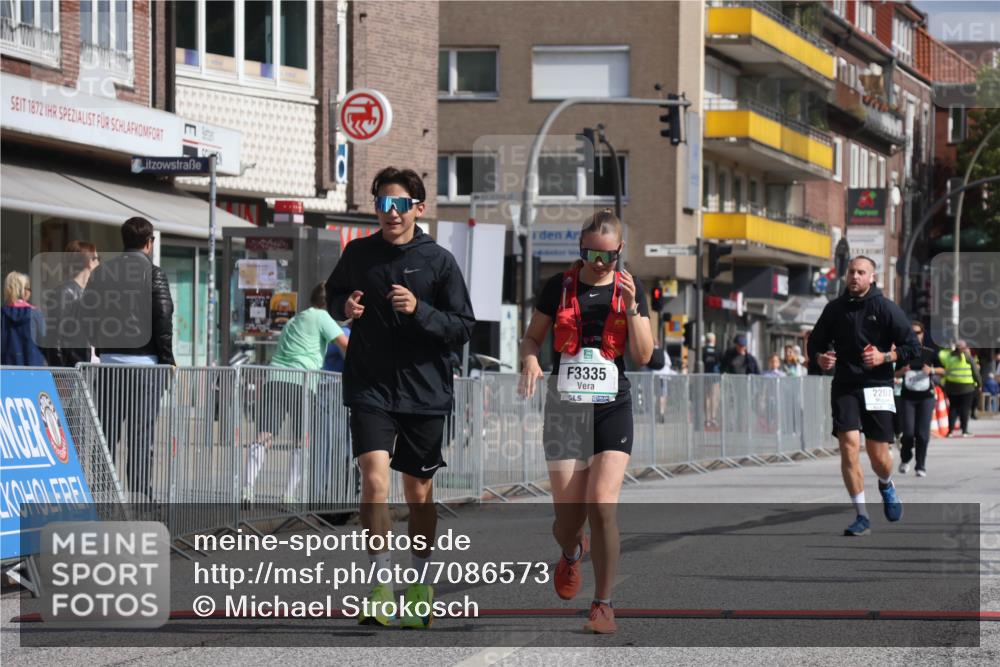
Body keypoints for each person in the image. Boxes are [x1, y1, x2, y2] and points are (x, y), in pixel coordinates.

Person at [326, 167, 475, 629]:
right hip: (370, 385)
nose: (390, 213)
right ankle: (379, 587)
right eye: (382, 204)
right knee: (373, 480)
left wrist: (420, 310)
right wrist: (342, 309)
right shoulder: (358, 254)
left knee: (418, 492)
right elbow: (332, 296)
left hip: (425, 391)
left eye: (399, 204)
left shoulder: (439, 261)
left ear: (417, 208)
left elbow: (463, 327)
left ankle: (420, 584)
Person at [519, 209, 654, 635]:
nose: (598, 264)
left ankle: (603, 603)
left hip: (612, 405)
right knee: (567, 519)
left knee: (601, 504)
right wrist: (529, 360)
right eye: (590, 254)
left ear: (620, 253)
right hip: (566, 406)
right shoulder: (557, 288)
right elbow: (533, 337)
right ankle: (573, 550)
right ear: (580, 250)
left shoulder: (631, 290)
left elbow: (645, 355)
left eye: (607, 256)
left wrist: (632, 309)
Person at [807, 256, 920, 537]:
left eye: (861, 272)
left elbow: (913, 347)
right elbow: (815, 344)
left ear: (872, 277)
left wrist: (886, 356)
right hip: (845, 384)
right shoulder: (834, 309)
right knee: (848, 445)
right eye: (851, 272)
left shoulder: (884, 308)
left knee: (878, 455)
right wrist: (821, 359)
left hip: (878, 384)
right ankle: (861, 515)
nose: (854, 276)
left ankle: (886, 483)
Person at [84, 217, 175, 501]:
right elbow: (163, 316)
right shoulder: (154, 273)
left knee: (106, 434)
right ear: (149, 243)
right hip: (144, 366)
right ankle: (140, 497)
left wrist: (101, 348)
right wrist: (167, 359)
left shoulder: (102, 273)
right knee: (141, 434)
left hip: (110, 365)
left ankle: (101, 496)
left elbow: (87, 313)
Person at [242, 283, 349, 502]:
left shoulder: (294, 320)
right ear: (329, 302)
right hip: (302, 382)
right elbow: (346, 345)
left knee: (264, 436)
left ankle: (247, 488)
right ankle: (289, 495)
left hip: (275, 379)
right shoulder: (323, 317)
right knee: (303, 440)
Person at [896, 321, 944, 477]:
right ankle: (905, 458)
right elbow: (893, 374)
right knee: (908, 434)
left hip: (926, 397)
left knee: (922, 434)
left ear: (923, 334)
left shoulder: (930, 352)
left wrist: (931, 369)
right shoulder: (903, 352)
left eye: (918, 332)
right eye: (912, 332)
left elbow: (944, 370)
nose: (915, 335)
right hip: (907, 397)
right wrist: (902, 371)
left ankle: (920, 465)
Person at [44, 240, 99, 367]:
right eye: (96, 258)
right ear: (88, 262)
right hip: (72, 371)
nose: (99, 263)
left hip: (90, 368)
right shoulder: (64, 293)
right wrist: (61, 376)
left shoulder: (90, 293)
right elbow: (54, 339)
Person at [2, 271, 46, 367]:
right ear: (23, 290)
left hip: (6, 369)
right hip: (34, 368)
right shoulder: (35, 313)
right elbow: (44, 340)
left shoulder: (2, 314)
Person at [939, 340, 981, 437]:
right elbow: (975, 372)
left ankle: (950, 431)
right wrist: (979, 384)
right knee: (965, 409)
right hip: (967, 386)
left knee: (953, 408)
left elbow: (944, 367)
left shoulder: (948, 357)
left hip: (951, 385)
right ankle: (964, 430)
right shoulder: (967, 357)